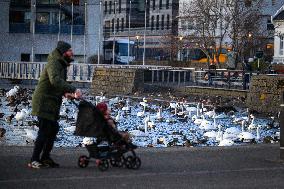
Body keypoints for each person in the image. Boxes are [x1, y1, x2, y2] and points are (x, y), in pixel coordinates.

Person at [28, 41, 82, 169]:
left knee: (53, 129)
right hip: (44, 101)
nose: (72, 53)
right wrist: (74, 89)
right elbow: (55, 80)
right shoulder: (54, 62)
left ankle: (45, 158)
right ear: (63, 52)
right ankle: (34, 159)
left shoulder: (60, 64)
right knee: (44, 130)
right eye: (69, 50)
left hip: (51, 102)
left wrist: (66, 93)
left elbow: (57, 84)